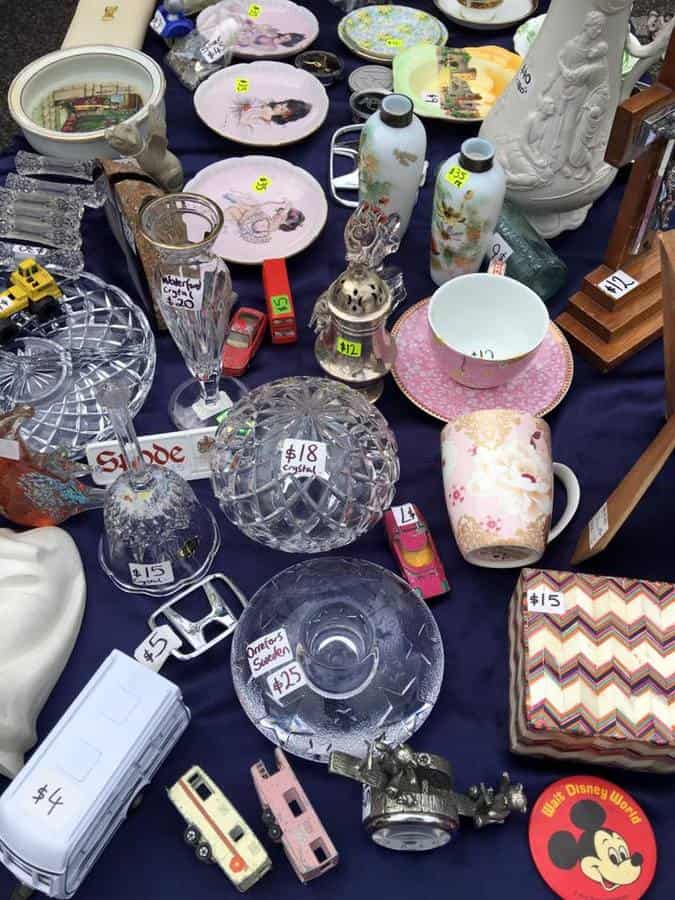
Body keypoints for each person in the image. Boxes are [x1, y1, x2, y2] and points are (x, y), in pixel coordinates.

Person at [232, 98, 312, 130]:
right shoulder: (264, 103)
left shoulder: (264, 122)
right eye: (282, 104)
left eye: (282, 109)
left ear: (285, 116)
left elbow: (242, 124)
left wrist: (245, 112)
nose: (279, 105)